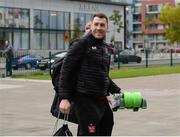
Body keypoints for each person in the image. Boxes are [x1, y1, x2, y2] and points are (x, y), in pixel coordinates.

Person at [58, 13, 121, 136]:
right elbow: (65, 70)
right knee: (89, 133)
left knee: (108, 123)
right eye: (96, 24)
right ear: (91, 26)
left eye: (102, 25)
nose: (98, 27)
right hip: (84, 98)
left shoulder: (104, 48)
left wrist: (117, 91)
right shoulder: (81, 44)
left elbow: (103, 74)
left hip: (100, 98)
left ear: (107, 28)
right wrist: (64, 98)